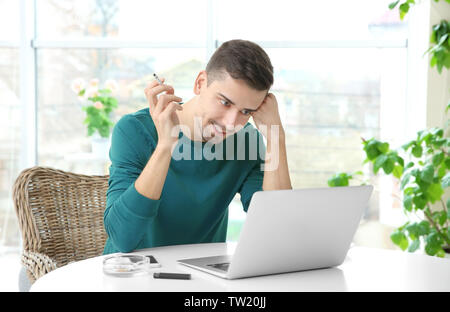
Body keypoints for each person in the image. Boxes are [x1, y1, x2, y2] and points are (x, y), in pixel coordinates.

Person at [103, 39, 292, 254]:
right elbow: (122, 238)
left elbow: (277, 229)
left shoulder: (246, 141)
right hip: (131, 275)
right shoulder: (134, 130)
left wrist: (276, 137)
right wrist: (166, 145)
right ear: (200, 83)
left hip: (201, 277)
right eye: (225, 102)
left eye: (246, 112)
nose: (231, 123)